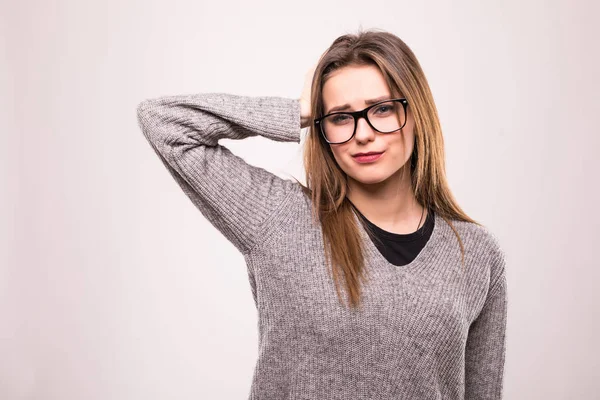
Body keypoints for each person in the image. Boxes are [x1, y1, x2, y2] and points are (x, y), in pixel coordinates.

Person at [136, 28, 507, 400]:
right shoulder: (279, 217)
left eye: (381, 109)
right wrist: (298, 110)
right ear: (321, 127)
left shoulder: (476, 253)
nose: (363, 133)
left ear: (416, 114)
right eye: (341, 117)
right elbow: (163, 122)